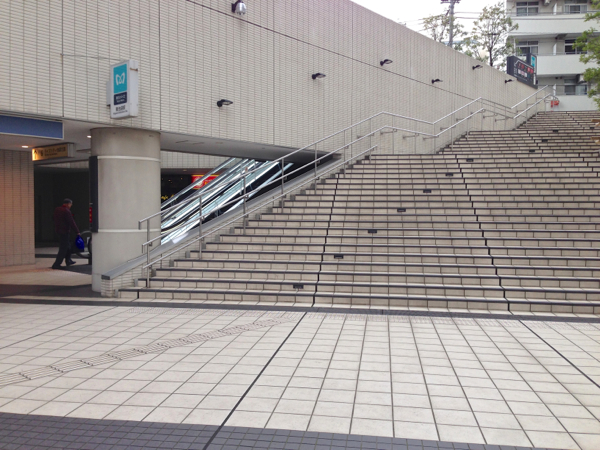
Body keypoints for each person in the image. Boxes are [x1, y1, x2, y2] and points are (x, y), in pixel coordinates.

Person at [52, 199, 81, 269]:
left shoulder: (57, 209)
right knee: (63, 248)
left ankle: (68, 260)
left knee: (68, 246)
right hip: (64, 231)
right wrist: (77, 231)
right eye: (71, 204)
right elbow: (71, 222)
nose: (71, 205)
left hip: (58, 230)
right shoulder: (66, 211)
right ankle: (56, 264)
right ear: (68, 204)